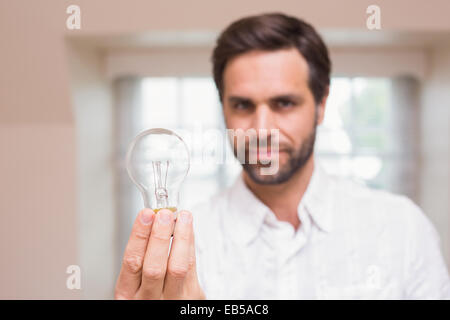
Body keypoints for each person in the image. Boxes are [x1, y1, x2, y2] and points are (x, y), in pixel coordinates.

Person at [114, 12, 450, 299]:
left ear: (320, 105)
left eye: (284, 103)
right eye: (243, 105)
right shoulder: (183, 250)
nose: (262, 129)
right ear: (223, 108)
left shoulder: (402, 229)